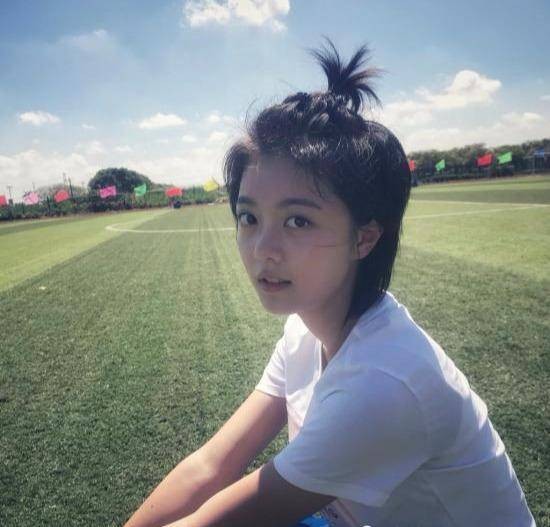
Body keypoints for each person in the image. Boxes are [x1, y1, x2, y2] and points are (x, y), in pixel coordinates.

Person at [123, 39, 535, 527]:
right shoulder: (304, 333)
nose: (263, 249)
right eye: (249, 217)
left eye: (298, 221)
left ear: (364, 237)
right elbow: (212, 466)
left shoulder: (383, 383)